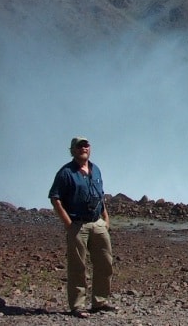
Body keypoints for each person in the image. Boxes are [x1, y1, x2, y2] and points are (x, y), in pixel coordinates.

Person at [49, 136, 116, 318]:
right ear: (72, 150)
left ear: (90, 149)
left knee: (105, 263)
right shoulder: (66, 173)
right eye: (79, 146)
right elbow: (55, 198)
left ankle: (99, 301)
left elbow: (99, 195)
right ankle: (77, 305)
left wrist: (105, 218)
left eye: (86, 146)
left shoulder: (96, 170)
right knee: (78, 267)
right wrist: (68, 224)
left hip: (98, 223)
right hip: (78, 225)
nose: (83, 148)